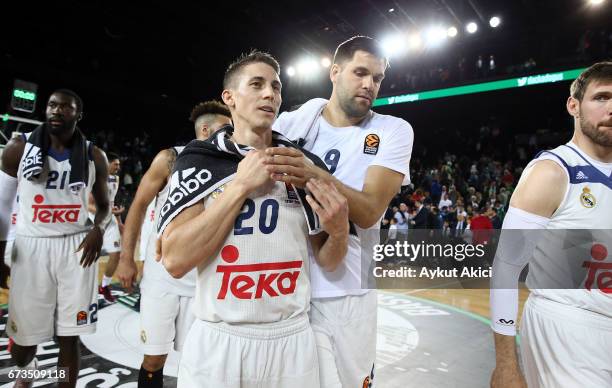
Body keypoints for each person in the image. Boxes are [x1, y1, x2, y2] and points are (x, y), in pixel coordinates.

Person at [158, 50, 349, 388]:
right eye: (257, 84)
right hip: (220, 339)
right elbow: (174, 260)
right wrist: (241, 187)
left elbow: (329, 262)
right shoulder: (199, 160)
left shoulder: (302, 163)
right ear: (229, 98)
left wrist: (338, 234)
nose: (270, 94)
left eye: (276, 87)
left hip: (291, 338)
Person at [268, 35, 413, 388]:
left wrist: (312, 172)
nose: (369, 85)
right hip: (287, 290)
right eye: (360, 73)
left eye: (377, 78)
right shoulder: (291, 124)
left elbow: (368, 211)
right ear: (335, 72)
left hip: (347, 293)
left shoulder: (392, 130)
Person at [490, 62, 612, 388]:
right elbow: (505, 268)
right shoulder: (553, 172)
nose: (611, 108)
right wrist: (505, 364)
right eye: (602, 97)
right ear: (574, 106)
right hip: (568, 325)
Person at [115, 100, 232, 387]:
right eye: (225, 128)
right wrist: (126, 258)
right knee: (154, 359)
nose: (231, 134)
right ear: (204, 130)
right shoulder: (170, 158)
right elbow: (139, 205)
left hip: (207, 280)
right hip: (162, 278)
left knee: (202, 362)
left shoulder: (233, 163)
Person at [0, 89, 109, 388]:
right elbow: (2, 206)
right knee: (23, 345)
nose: (57, 111)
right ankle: (29, 368)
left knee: (68, 337)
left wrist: (98, 228)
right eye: (51, 105)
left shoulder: (93, 154)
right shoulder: (17, 148)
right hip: (31, 244)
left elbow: (103, 205)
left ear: (78, 115)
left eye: (65, 107)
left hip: (75, 247)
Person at [88, 151, 124, 302]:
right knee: (90, 258)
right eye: (115, 164)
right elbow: (88, 205)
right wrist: (107, 211)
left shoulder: (116, 178)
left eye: (119, 165)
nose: (118, 167)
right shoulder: (95, 178)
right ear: (107, 163)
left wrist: (119, 219)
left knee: (115, 254)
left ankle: (104, 286)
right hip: (94, 221)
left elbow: (112, 202)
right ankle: (85, 288)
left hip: (110, 221)